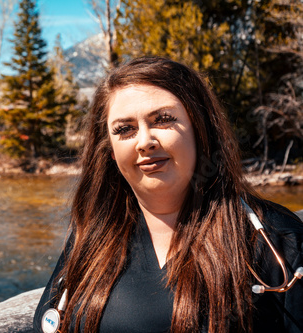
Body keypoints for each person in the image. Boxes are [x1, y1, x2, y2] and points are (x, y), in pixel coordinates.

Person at [33, 57, 303, 333]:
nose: (145, 141)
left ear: (201, 131)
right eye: (125, 129)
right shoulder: (91, 237)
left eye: (163, 120)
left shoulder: (276, 239)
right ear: (111, 152)